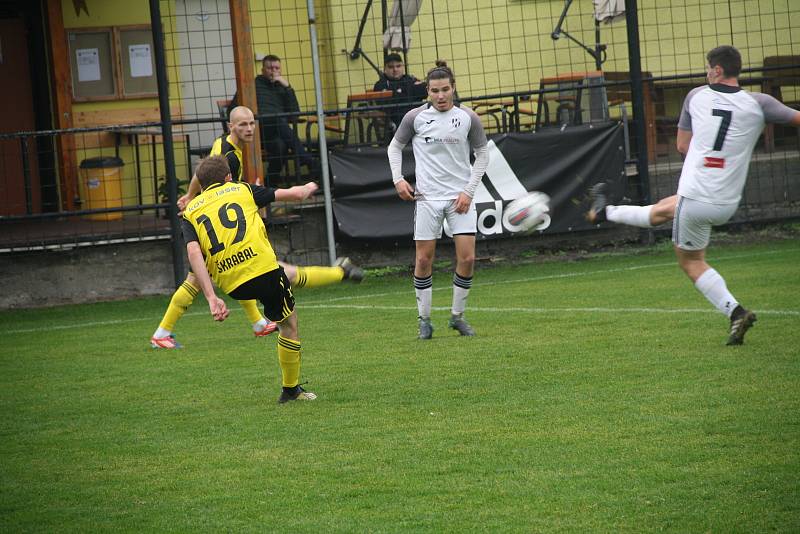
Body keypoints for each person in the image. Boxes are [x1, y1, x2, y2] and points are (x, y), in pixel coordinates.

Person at [591, 45, 800, 345]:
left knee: (690, 261)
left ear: (716, 70)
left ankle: (735, 311)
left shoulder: (696, 96)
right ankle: (604, 212)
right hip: (727, 202)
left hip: (698, 194)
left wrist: (707, 153)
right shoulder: (761, 102)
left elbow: (681, 146)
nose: (706, 71)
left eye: (707, 67)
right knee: (664, 209)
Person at [150, 106, 363, 349]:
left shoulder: (228, 148)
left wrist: (193, 197)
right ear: (231, 126)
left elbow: (205, 172)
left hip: (215, 224)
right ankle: (162, 333)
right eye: (243, 125)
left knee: (231, 272)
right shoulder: (227, 154)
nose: (249, 129)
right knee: (200, 278)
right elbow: (205, 175)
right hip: (214, 224)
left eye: (252, 123)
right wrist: (191, 196)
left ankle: (258, 323)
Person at [183, 155, 317, 403]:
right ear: (228, 177)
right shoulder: (242, 189)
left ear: (200, 185)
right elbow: (294, 195)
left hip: (232, 284)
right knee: (289, 325)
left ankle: (258, 322)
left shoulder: (190, 212)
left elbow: (193, 252)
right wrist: (309, 187)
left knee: (273, 309)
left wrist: (212, 297)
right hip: (264, 270)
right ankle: (291, 390)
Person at [387, 64, 489, 339]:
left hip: (460, 199)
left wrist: (468, 191)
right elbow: (394, 146)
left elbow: (482, 153)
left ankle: (457, 317)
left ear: (453, 88)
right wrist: (398, 179)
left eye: (445, 89)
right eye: (435, 91)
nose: (440, 95)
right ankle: (424, 320)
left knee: (467, 258)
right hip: (427, 199)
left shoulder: (468, 117)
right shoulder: (415, 117)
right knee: (423, 259)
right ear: (428, 92)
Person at [230, 55, 314, 186]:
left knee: (281, 146)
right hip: (257, 131)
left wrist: (288, 87)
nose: (273, 71)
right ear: (263, 70)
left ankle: (269, 183)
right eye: (270, 68)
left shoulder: (283, 88)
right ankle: (307, 159)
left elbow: (294, 114)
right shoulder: (252, 85)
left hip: (277, 134)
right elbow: (234, 108)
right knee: (277, 119)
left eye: (277, 68)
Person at [373, 53, 428, 130]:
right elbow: (387, 103)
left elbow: (424, 92)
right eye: (391, 67)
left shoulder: (409, 78)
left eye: (398, 66)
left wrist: (399, 93)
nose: (395, 69)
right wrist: (411, 90)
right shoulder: (380, 84)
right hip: (397, 119)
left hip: (419, 117)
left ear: (403, 67)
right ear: (385, 69)